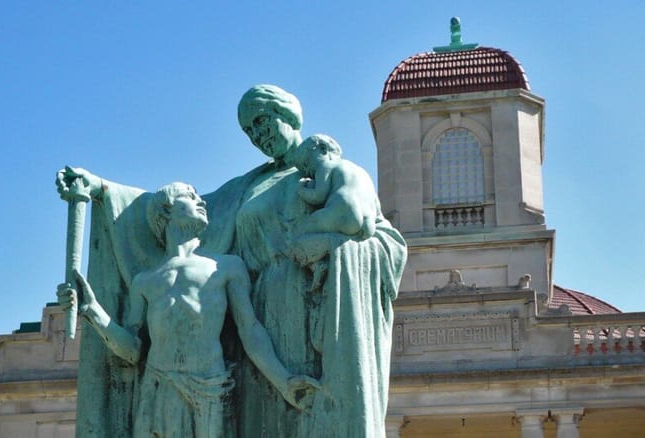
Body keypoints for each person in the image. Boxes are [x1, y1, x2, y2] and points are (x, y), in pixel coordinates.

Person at [56, 84, 407, 437]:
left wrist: (336, 248)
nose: (258, 135)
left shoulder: (327, 170)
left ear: (287, 113)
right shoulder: (246, 187)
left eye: (261, 121)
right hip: (262, 310)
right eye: (249, 130)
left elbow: (375, 233)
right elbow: (166, 210)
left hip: (312, 310)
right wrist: (100, 188)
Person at [57, 182, 317, 437]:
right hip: (156, 389)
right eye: (190, 196)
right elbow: (133, 351)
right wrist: (92, 310)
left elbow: (250, 330)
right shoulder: (144, 281)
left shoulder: (226, 267)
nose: (200, 201)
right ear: (165, 211)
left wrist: (283, 381)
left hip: (210, 389)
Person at [287, 133, 381, 291]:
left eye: (307, 163)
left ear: (323, 149)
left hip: (344, 210)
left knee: (300, 229)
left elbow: (318, 195)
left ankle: (316, 264)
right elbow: (376, 206)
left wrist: (302, 190)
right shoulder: (359, 171)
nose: (308, 171)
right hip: (368, 222)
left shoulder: (326, 166)